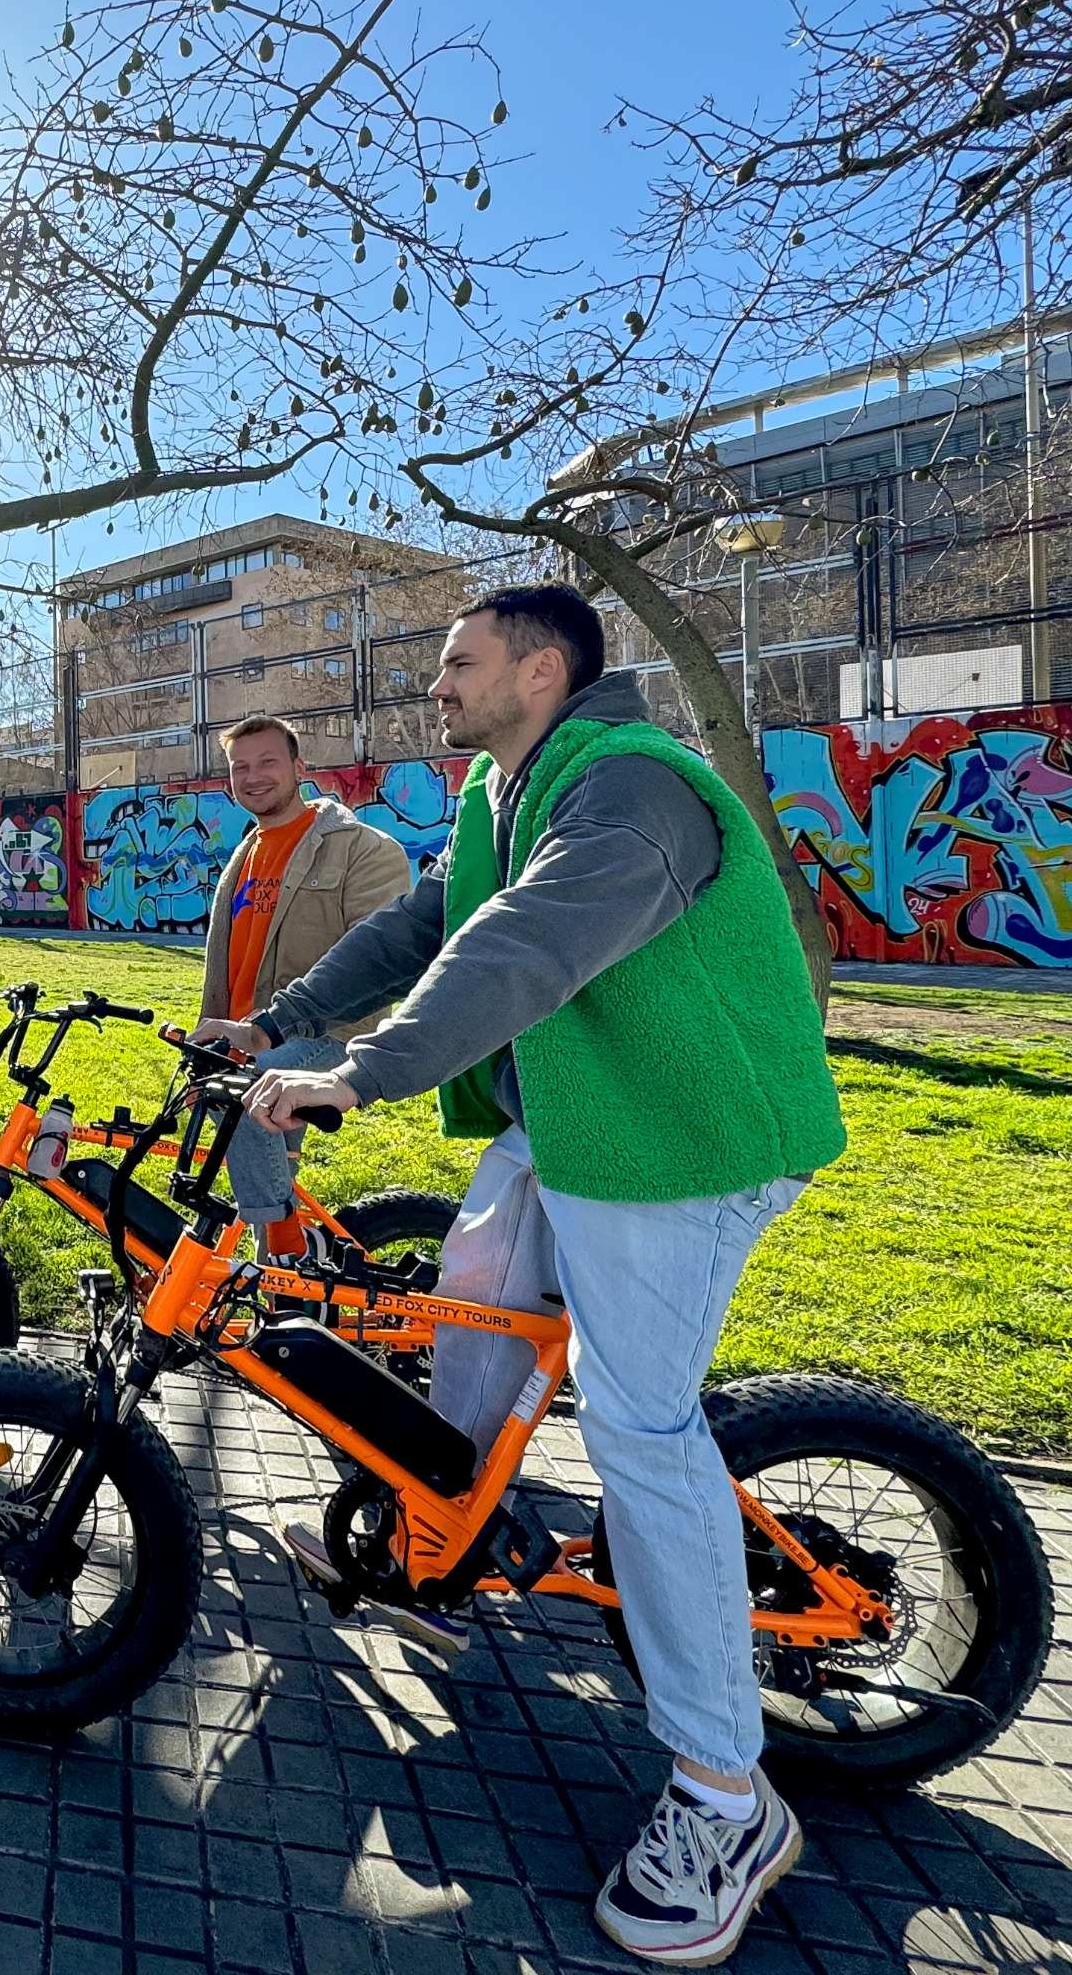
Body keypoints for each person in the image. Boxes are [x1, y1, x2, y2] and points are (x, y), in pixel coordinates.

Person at [220, 583, 845, 1968]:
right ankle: (433, 1526)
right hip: (572, 1120)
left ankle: (725, 1796)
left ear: (544, 667)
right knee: (478, 1279)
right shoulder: (502, 795)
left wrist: (360, 1076)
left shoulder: (633, 786)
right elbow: (428, 923)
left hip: (682, 1134)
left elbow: (526, 946)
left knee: (639, 1425)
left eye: (460, 662)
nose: (437, 685)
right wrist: (282, 1019)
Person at [182, 713, 412, 1253]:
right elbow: (227, 968)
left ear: (299, 767)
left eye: (267, 762)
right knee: (246, 1131)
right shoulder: (244, 856)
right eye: (240, 767)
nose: (254, 776)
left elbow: (381, 960)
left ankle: (288, 1248)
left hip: (327, 1036)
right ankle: (285, 1294)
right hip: (247, 1036)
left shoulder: (362, 848)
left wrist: (275, 1031)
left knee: (248, 1093)